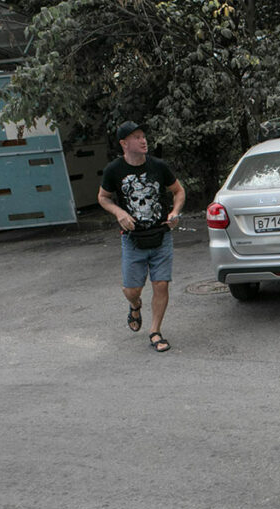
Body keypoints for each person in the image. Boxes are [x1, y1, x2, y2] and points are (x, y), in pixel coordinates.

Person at [98, 121, 185, 353]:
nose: (143, 140)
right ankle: (135, 305)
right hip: (132, 239)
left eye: (143, 136)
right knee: (131, 290)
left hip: (161, 234)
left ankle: (155, 331)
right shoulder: (113, 170)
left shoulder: (158, 166)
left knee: (161, 284)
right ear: (124, 144)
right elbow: (103, 198)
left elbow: (178, 191)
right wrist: (119, 212)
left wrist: (175, 212)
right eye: (136, 137)